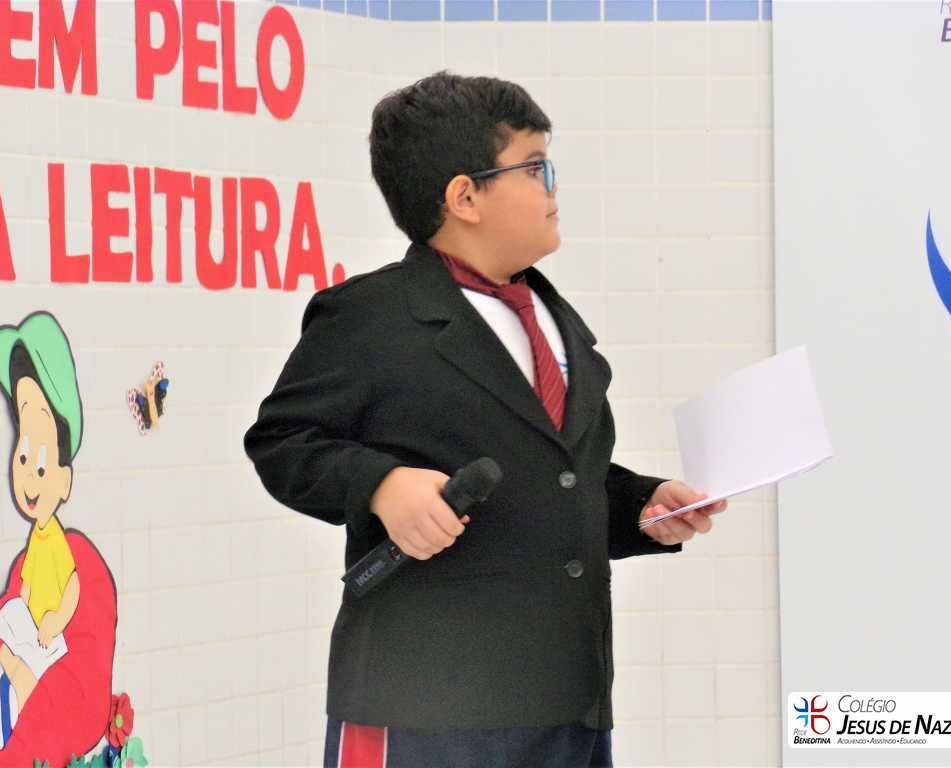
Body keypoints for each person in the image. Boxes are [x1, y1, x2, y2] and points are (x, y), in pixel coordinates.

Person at [244, 70, 727, 768]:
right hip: (422, 706)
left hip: (568, 701)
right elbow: (281, 442)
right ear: (464, 197)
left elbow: (559, 473)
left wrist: (641, 506)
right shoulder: (371, 316)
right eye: (534, 168)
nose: (552, 187)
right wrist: (381, 484)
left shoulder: (557, 323)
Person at [0, 312, 83, 749]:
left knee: (28, 665)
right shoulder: (37, 539)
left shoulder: (56, 538)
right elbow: (29, 575)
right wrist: (22, 599)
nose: (28, 475)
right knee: (8, 644)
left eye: (41, 465)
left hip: (48, 629)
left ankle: (9, 705)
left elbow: (72, 583)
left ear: (63, 480)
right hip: (31, 614)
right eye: (24, 456)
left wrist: (56, 620)